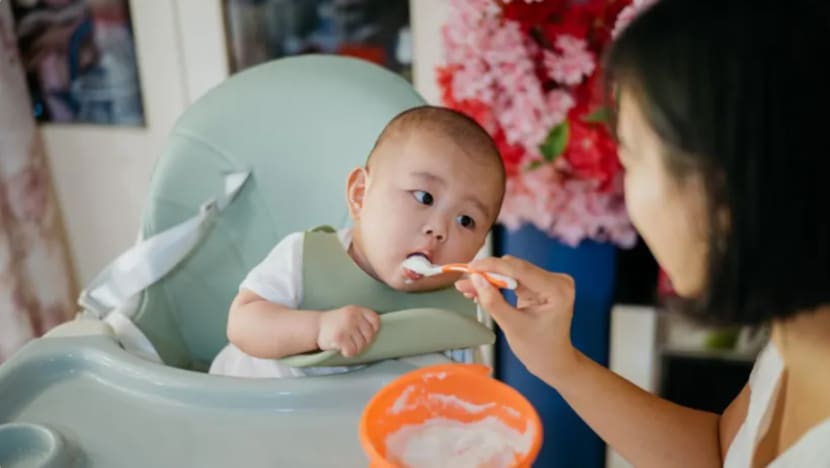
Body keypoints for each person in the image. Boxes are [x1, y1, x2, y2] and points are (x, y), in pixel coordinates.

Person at [457, 1, 830, 466]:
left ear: (723, 190)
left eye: (630, 160)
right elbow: (718, 454)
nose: (627, 196)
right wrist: (559, 363)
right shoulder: (799, 335)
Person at [210, 105, 506, 378]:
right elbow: (243, 324)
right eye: (424, 197)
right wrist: (317, 327)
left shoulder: (456, 317)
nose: (439, 229)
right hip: (245, 406)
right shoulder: (305, 258)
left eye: (465, 220)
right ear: (360, 194)